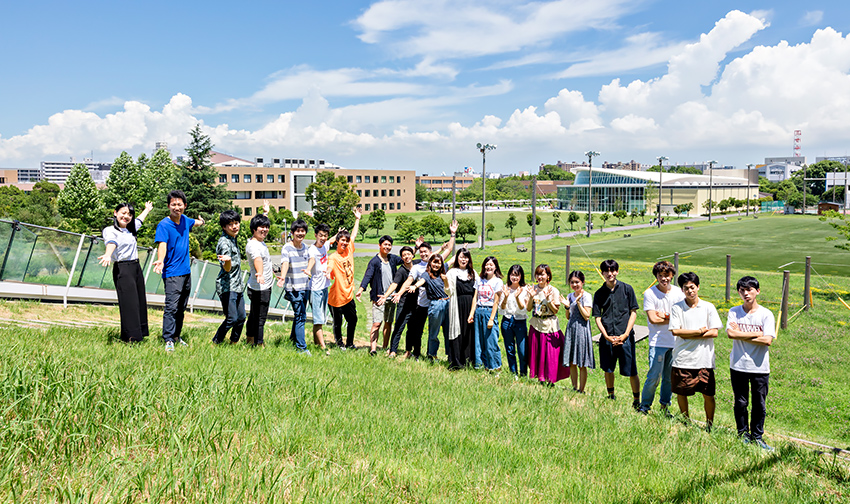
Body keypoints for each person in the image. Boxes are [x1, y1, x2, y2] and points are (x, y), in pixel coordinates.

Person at [726, 276, 776, 450]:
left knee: (759, 404)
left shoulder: (766, 314)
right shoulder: (734, 311)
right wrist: (757, 335)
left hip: (760, 367)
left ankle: (757, 436)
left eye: (749, 290)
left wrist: (742, 333)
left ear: (758, 291)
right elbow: (731, 334)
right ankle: (742, 434)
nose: (746, 293)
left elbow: (768, 340)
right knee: (740, 403)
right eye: (742, 290)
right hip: (738, 365)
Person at [669, 272, 722, 431]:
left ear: (698, 287)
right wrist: (699, 332)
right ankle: (685, 421)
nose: (689, 291)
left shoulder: (708, 307)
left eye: (692, 287)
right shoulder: (677, 308)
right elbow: (675, 332)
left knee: (708, 394)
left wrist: (688, 333)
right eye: (686, 288)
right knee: (681, 392)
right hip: (683, 357)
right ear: (682, 290)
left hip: (704, 359)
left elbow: (714, 332)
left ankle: (709, 425)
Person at [153, 190, 205, 352]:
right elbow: (162, 244)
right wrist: (160, 260)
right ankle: (168, 339)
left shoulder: (185, 220)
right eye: (173, 204)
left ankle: (176, 336)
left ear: (184, 206)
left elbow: (194, 222)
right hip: (172, 272)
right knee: (171, 307)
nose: (177, 207)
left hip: (186, 271)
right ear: (169, 206)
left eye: (179, 204)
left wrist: (202, 222)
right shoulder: (164, 225)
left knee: (181, 307)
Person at [98, 201, 153, 343]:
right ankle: (131, 338)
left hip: (135, 267)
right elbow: (111, 242)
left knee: (139, 300)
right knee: (129, 303)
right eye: (123, 213)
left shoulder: (131, 228)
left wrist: (147, 209)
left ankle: (140, 333)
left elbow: (140, 219)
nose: (126, 216)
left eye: (129, 214)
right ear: (115, 213)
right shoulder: (110, 230)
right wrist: (108, 255)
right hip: (123, 268)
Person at [638, 261, 685, 415]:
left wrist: (664, 315)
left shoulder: (679, 293)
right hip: (657, 341)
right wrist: (673, 318)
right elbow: (653, 319)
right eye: (660, 276)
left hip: (675, 342)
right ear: (656, 276)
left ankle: (665, 407)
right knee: (653, 376)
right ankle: (645, 406)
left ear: (672, 276)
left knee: (669, 378)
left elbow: (683, 316)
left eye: (667, 275)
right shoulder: (650, 293)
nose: (664, 279)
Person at [593, 259, 641, 407]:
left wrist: (625, 334)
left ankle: (636, 400)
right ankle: (611, 395)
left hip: (625, 337)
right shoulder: (599, 293)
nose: (610, 274)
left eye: (612, 270)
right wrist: (606, 336)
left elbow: (633, 312)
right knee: (608, 368)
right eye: (606, 271)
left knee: (632, 370)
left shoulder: (627, 289)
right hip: (607, 337)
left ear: (617, 271)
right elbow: (597, 317)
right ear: (602, 273)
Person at [356, 235, 403, 356]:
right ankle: (373, 349)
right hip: (378, 297)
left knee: (388, 323)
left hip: (391, 297)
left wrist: (417, 248)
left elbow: (406, 259)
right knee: (377, 323)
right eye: (385, 244)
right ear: (380, 245)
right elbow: (368, 276)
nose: (387, 247)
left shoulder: (392, 259)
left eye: (389, 245)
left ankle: (385, 347)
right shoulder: (374, 261)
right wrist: (361, 289)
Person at [524, 264, 569, 384]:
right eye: (538, 274)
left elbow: (555, 311)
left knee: (550, 355)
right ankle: (540, 378)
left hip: (550, 325)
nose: (540, 277)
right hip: (536, 323)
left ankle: (550, 379)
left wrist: (549, 300)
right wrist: (531, 297)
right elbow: (529, 309)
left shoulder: (553, 290)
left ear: (548, 276)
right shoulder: (532, 289)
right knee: (537, 352)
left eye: (542, 274)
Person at [328, 208, 362, 349]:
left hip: (348, 295)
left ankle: (349, 343)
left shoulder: (349, 249)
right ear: (337, 241)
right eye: (342, 240)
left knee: (353, 319)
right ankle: (339, 343)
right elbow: (329, 267)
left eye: (346, 241)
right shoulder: (333, 257)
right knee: (337, 321)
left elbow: (353, 235)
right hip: (336, 297)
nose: (345, 242)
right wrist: (327, 272)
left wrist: (357, 219)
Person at [212, 209, 246, 345]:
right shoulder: (224, 243)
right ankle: (216, 341)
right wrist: (228, 261)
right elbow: (227, 269)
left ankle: (233, 343)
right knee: (232, 318)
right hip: (227, 286)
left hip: (237, 285)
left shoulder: (233, 239)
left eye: (236, 223)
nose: (235, 226)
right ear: (224, 227)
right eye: (230, 224)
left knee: (242, 317)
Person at [278, 219, 312, 354]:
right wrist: (282, 276)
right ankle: (301, 348)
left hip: (305, 286)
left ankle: (293, 339)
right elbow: (285, 263)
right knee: (301, 316)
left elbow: (311, 259)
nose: (300, 233)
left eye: (303, 231)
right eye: (297, 231)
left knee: (299, 315)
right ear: (292, 233)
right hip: (293, 288)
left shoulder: (305, 247)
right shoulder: (287, 247)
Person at [409, 253, 451, 362]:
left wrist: (463, 248)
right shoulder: (427, 274)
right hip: (436, 304)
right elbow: (421, 281)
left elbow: (452, 259)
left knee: (449, 331)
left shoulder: (444, 271)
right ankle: (432, 355)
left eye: (438, 263)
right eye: (434, 262)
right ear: (430, 263)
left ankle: (450, 355)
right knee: (434, 332)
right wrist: (414, 286)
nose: (436, 265)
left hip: (448, 303)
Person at [305, 223, 337, 355]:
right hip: (316, 289)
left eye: (325, 235)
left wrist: (339, 233)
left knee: (320, 318)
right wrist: (308, 269)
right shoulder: (312, 250)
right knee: (318, 320)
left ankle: (317, 344)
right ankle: (323, 347)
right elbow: (312, 260)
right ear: (315, 235)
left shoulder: (324, 245)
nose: (323, 238)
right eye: (321, 235)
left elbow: (331, 241)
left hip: (324, 287)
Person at [468, 256, 504, 371]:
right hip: (478, 311)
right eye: (486, 264)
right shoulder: (479, 280)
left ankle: (495, 366)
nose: (488, 267)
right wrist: (471, 314)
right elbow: (475, 298)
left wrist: (492, 319)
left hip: (489, 312)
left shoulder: (498, 281)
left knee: (491, 340)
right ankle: (481, 365)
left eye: (491, 265)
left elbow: (496, 302)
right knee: (478, 341)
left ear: (495, 267)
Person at [562, 270, 594, 392]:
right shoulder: (570, 296)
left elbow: (586, 316)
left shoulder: (587, 296)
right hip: (571, 328)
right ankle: (574, 387)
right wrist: (566, 306)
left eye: (577, 282)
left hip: (582, 329)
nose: (575, 285)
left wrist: (579, 303)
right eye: (572, 282)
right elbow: (568, 316)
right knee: (572, 361)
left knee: (581, 362)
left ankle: (582, 389)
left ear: (582, 282)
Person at [445, 248, 476, 369]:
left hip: (471, 304)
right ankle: (457, 362)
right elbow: (448, 291)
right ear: (457, 258)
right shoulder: (452, 273)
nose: (464, 259)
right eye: (461, 257)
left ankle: (469, 360)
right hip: (457, 304)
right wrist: (445, 282)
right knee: (457, 332)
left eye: (466, 257)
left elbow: (477, 290)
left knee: (469, 332)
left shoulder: (473, 273)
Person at [245, 214, 273, 346]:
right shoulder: (253, 246)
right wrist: (260, 273)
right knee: (260, 318)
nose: (265, 229)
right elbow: (258, 259)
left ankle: (250, 339)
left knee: (254, 315)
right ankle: (259, 344)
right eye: (261, 227)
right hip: (260, 287)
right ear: (254, 229)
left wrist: (265, 212)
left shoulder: (258, 241)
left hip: (256, 285)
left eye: (267, 227)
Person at [383, 246, 416, 358]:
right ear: (401, 258)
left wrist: (441, 249)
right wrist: (385, 296)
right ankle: (393, 350)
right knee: (399, 327)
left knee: (412, 329)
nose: (407, 257)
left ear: (413, 255)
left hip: (416, 303)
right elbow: (394, 284)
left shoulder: (417, 265)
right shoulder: (401, 271)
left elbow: (430, 256)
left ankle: (408, 351)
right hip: (404, 303)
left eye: (408, 254)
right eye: (404, 255)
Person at [500, 264, 529, 377]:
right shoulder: (505, 287)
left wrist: (517, 297)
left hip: (520, 321)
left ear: (521, 276)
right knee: (510, 349)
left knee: (522, 350)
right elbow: (501, 309)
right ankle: (513, 373)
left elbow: (524, 309)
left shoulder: (525, 289)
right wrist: (506, 296)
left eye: (517, 275)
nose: (514, 277)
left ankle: (523, 373)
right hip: (507, 320)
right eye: (512, 275)